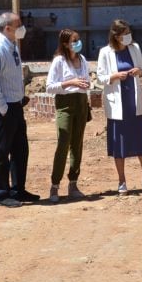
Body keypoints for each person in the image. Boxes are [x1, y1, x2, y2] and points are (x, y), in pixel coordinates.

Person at [0, 12, 38, 207]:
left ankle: (18, 189)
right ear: (7, 28)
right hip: (2, 107)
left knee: (20, 149)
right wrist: (4, 109)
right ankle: (2, 193)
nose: (22, 28)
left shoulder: (12, 46)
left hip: (14, 104)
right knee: (3, 150)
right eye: (18, 24)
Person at [96, 19, 142, 195]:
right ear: (116, 36)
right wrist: (114, 76)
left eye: (129, 32)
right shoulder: (105, 52)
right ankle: (122, 180)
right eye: (125, 34)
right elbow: (100, 77)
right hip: (117, 103)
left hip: (133, 101)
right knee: (119, 144)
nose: (128, 36)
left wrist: (139, 71)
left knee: (141, 142)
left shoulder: (134, 48)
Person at [46, 28, 91, 203]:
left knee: (77, 144)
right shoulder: (59, 61)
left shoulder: (83, 59)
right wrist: (70, 82)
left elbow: (86, 79)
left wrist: (86, 85)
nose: (77, 43)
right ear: (65, 43)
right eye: (73, 40)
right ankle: (55, 184)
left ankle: (73, 182)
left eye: (78, 39)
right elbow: (50, 86)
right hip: (65, 104)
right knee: (63, 143)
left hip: (81, 103)